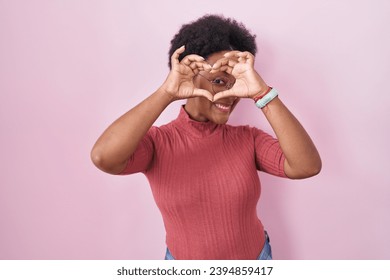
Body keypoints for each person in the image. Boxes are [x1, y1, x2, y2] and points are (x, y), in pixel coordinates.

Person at [91, 14, 321, 260]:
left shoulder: (248, 139)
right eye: (219, 81)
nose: (231, 94)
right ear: (189, 76)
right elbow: (104, 157)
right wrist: (167, 92)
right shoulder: (158, 143)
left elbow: (307, 166)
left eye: (236, 84)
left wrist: (261, 92)